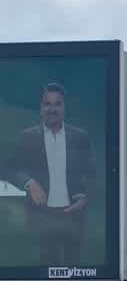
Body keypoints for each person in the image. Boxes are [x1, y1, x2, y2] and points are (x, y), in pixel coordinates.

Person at [6, 83, 94, 267]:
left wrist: (85, 197)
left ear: (64, 107)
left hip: (73, 217)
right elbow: (9, 169)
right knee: (44, 268)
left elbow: (92, 174)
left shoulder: (80, 137)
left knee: (75, 269)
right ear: (41, 108)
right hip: (41, 217)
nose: (52, 109)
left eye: (57, 104)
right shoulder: (27, 137)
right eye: (47, 104)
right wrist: (30, 183)